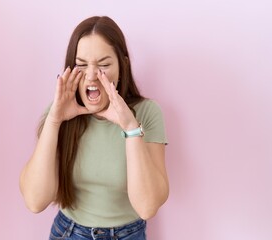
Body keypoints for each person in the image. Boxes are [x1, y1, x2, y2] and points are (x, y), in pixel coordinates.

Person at [19, 16, 169, 240]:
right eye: (81, 65)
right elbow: (35, 201)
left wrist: (130, 128)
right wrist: (54, 121)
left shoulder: (146, 113)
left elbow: (147, 207)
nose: (90, 75)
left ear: (122, 65)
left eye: (103, 65)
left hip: (128, 234)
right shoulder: (58, 111)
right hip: (69, 232)